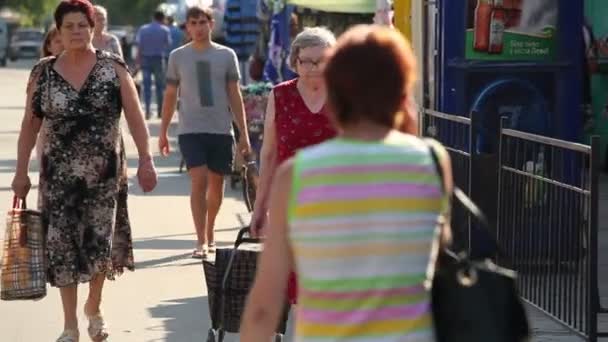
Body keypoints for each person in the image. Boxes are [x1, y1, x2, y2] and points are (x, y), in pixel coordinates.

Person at [241, 25, 453, 342]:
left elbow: (264, 306)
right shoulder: (432, 162)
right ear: (403, 90)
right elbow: (435, 255)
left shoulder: (296, 174)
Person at [11, 1, 158, 341]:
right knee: (62, 246)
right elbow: (29, 125)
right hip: (58, 177)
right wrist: (21, 173)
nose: (76, 32)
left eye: (82, 25)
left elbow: (135, 118)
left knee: (99, 245)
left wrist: (146, 159)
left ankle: (93, 305)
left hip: (103, 177)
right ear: (58, 32)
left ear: (93, 29)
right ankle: (70, 325)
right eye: (69, 26)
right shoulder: (43, 72)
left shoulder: (113, 68)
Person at [249, 26, 337, 304]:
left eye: (320, 60)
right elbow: (269, 154)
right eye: (306, 61)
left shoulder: (344, 96)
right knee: (298, 286)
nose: (313, 68)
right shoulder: (280, 95)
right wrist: (259, 207)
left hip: (335, 203)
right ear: (295, 62)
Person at [159, 6, 251, 259]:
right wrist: (164, 130)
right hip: (191, 129)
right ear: (187, 27)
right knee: (198, 180)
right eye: (193, 23)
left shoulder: (226, 55)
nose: (198, 27)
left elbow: (235, 94)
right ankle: (200, 240)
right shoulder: (178, 57)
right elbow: (169, 95)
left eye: (203, 22)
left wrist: (243, 132)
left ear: (211, 24)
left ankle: (210, 231)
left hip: (220, 129)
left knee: (216, 184)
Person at [35, 26, 64, 168]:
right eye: (58, 41)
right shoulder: (42, 70)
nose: (63, 45)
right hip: (49, 139)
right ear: (49, 46)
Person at [135, 10, 171, 119]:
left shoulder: (143, 29)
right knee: (160, 87)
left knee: (146, 87)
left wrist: (138, 61)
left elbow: (139, 47)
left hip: (145, 59)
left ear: (153, 17)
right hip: (159, 60)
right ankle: (160, 112)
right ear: (162, 18)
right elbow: (168, 44)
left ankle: (147, 112)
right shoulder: (165, 30)